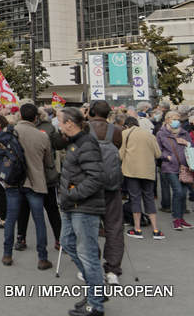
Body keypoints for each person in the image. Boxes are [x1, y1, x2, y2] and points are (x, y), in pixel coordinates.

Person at [57, 106, 106, 316]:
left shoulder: (86, 144)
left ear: (70, 123)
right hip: (72, 205)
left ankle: (95, 304)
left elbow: (95, 178)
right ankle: (95, 290)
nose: (57, 125)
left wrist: (72, 193)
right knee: (68, 243)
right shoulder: (75, 142)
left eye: (60, 121)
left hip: (83, 207)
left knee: (88, 255)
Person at [2, 103, 53, 270]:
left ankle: (7, 254)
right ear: (36, 118)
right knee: (39, 221)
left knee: (11, 219)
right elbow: (49, 163)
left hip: (13, 181)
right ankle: (42, 258)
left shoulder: (10, 132)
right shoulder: (42, 136)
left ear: (20, 116)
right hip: (35, 181)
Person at [15, 105, 66, 252]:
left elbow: (56, 145)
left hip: (38, 177)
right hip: (34, 175)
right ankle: (23, 237)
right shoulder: (41, 131)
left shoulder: (46, 128)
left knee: (49, 209)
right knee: (28, 210)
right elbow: (49, 159)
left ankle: (58, 239)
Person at [86, 99, 124, 284]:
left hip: (89, 185)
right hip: (111, 184)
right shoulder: (116, 131)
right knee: (114, 226)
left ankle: (92, 267)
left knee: (88, 227)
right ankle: (113, 269)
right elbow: (117, 148)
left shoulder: (84, 129)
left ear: (91, 112)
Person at [120, 116, 164, 240]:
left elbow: (121, 153)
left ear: (127, 125)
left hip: (131, 171)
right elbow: (158, 154)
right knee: (149, 198)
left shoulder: (125, 133)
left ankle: (137, 229)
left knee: (135, 198)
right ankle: (156, 229)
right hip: (148, 172)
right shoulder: (149, 135)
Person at [156, 111, 193, 231]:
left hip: (184, 168)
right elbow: (158, 150)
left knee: (183, 193)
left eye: (178, 119)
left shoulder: (184, 133)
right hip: (170, 167)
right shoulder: (161, 134)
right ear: (167, 120)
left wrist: (187, 143)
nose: (176, 121)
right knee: (178, 191)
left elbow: (191, 147)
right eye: (173, 119)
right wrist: (167, 157)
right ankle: (176, 219)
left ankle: (181, 218)